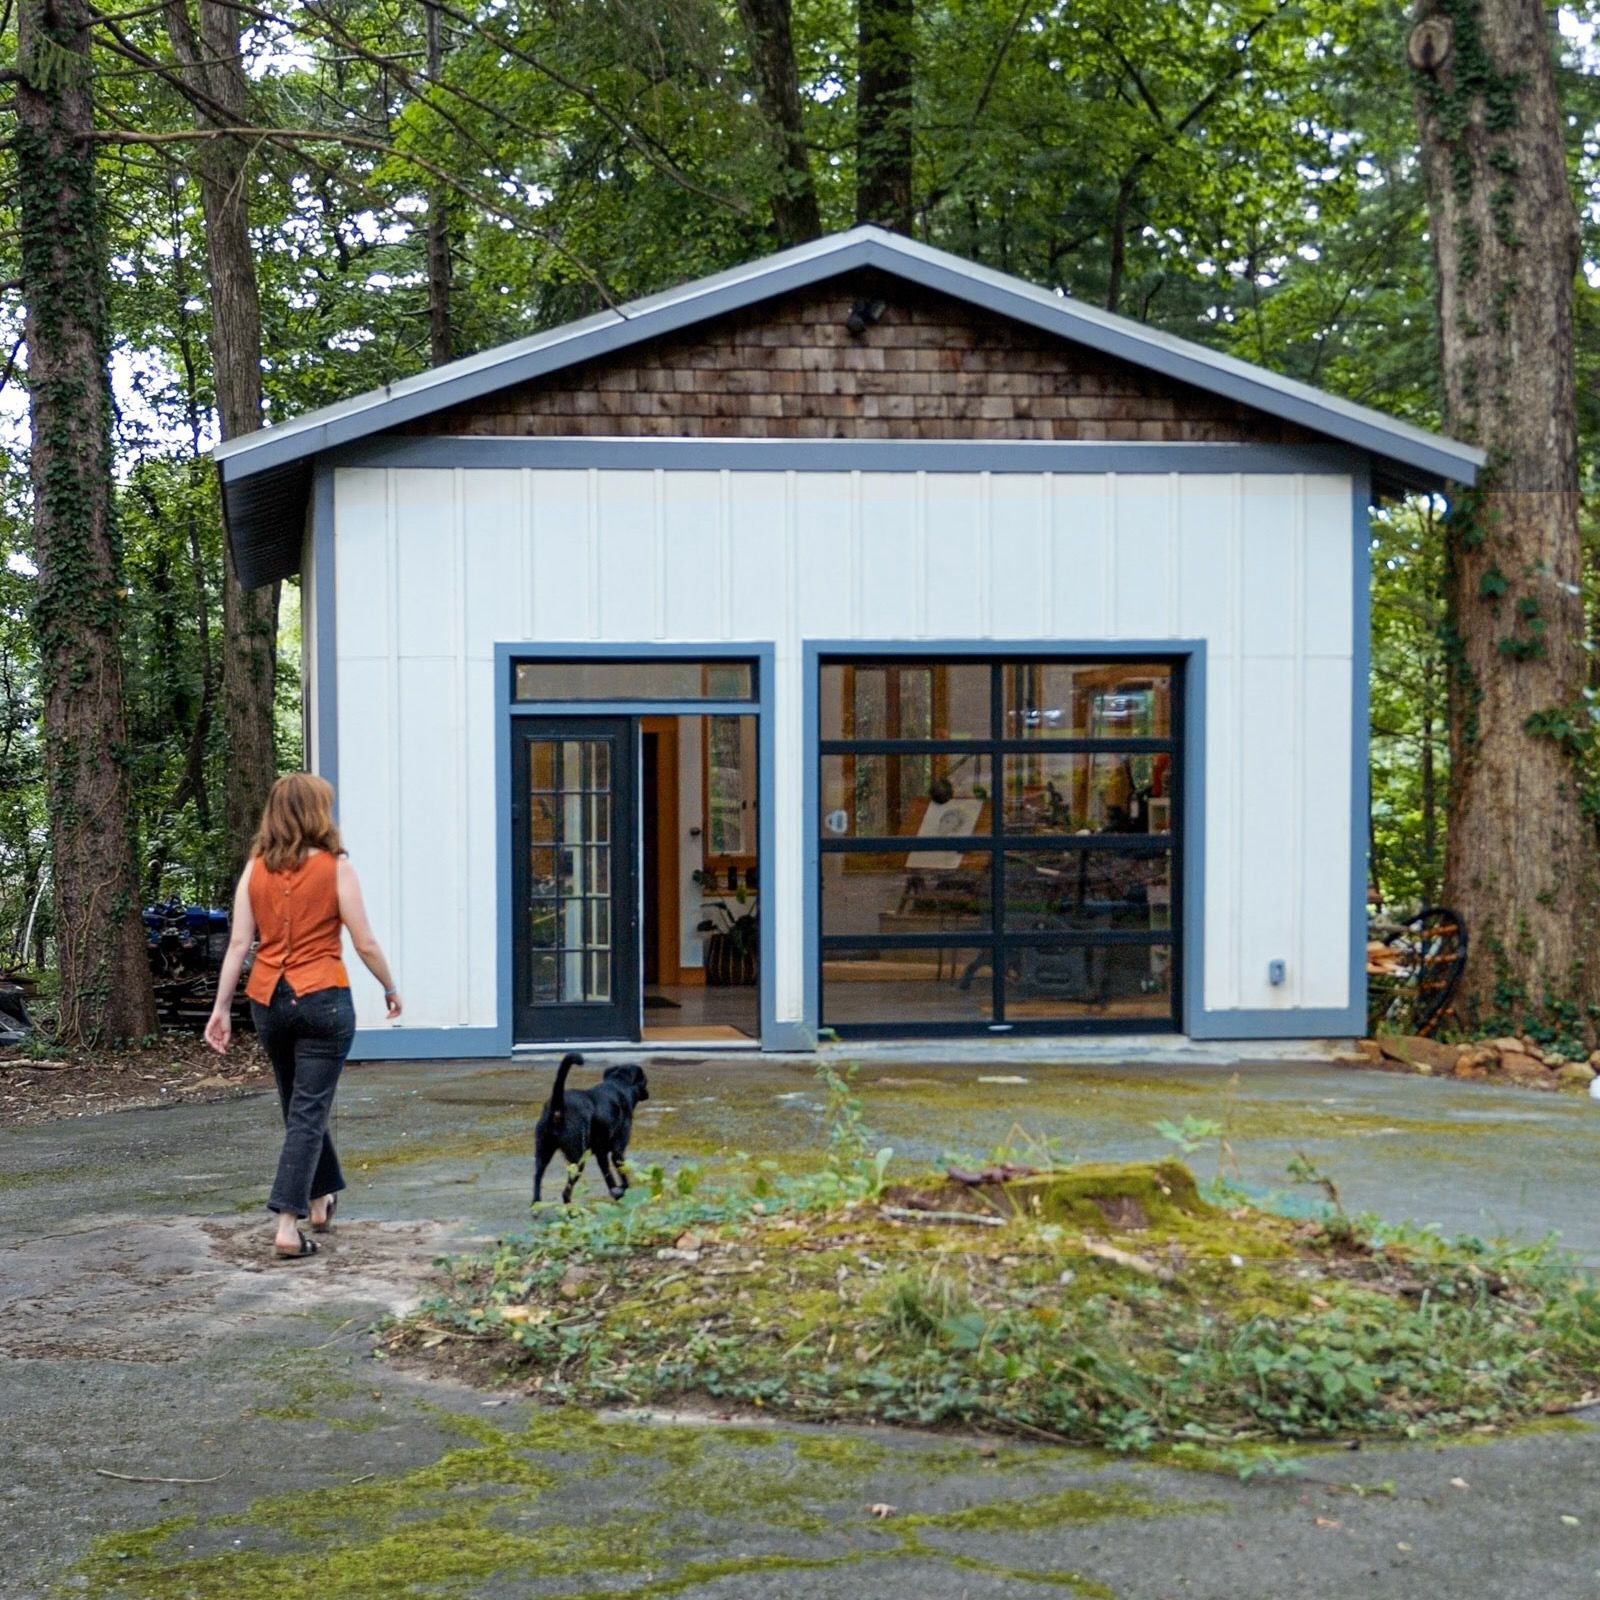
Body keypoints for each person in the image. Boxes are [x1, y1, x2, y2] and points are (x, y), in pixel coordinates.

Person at [204, 773, 402, 1260]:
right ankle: (288, 1226)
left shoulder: (255, 870)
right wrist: (391, 987)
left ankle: (320, 1201)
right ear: (317, 812)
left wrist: (222, 1008)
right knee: (308, 1112)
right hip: (323, 1001)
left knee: (301, 1108)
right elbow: (364, 941)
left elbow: (238, 944)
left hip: (269, 1002)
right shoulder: (336, 869)